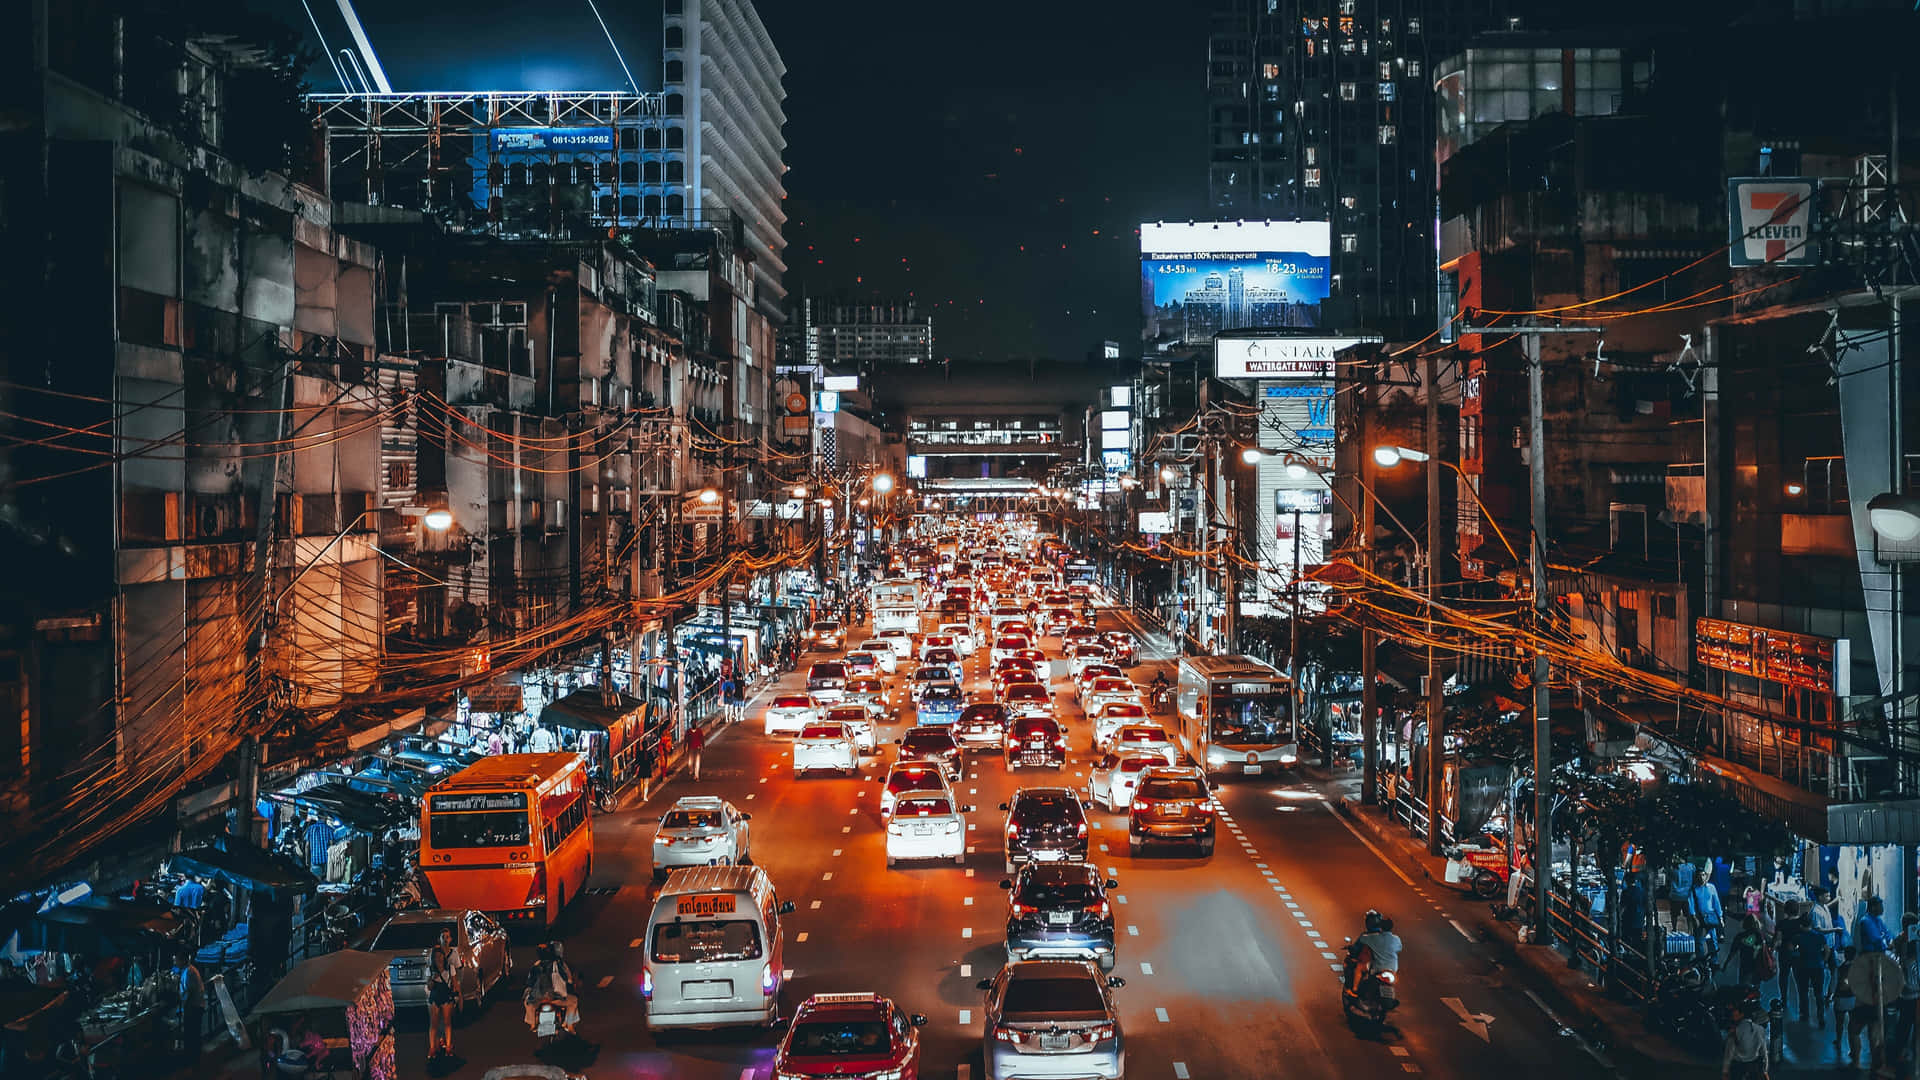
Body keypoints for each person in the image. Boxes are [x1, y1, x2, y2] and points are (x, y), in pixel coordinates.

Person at [1784, 915, 1831, 1026]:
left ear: (1801, 925)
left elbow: (1790, 948)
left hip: (1803, 967)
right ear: (1811, 924)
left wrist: (1796, 955)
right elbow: (1827, 950)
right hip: (1818, 967)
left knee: (1803, 992)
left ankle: (1804, 1014)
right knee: (1819, 993)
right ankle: (1821, 1016)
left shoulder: (1798, 937)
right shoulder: (1820, 936)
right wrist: (1823, 961)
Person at [168, 948, 206, 1064]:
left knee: (191, 1033)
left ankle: (192, 1058)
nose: (175, 963)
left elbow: (188, 993)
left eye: (176, 960)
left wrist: (180, 1007)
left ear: (182, 960)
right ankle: (193, 1057)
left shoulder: (189, 972)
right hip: (194, 1006)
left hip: (194, 1007)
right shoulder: (187, 971)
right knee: (191, 1033)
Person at [426, 927, 458, 1061]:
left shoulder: (449, 968)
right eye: (436, 957)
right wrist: (432, 978)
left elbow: (455, 983)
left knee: (447, 1022)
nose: (438, 959)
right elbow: (429, 986)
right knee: (433, 1024)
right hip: (434, 997)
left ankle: (449, 1046)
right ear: (433, 958)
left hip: (446, 997)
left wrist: (457, 997)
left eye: (440, 957)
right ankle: (433, 1048)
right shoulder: (430, 970)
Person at [1721, 1002, 1769, 1080]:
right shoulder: (1759, 1029)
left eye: (1735, 1016)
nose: (1733, 1018)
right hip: (1753, 1064)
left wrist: (1725, 1071)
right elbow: (1764, 1051)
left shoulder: (1735, 1031)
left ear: (1741, 1015)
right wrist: (1765, 1071)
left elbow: (1729, 1052)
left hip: (1738, 1065)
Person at [1723, 914, 1768, 988]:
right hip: (1757, 965)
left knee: (1743, 987)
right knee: (1756, 988)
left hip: (1745, 965)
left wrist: (1726, 963)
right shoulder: (1760, 935)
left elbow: (1732, 952)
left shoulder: (1740, 936)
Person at [1691, 873, 1726, 959]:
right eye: (1699, 875)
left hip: (1710, 916)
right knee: (1698, 939)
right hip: (1699, 916)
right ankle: (1701, 958)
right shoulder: (1693, 889)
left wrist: (1720, 917)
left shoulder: (1711, 887)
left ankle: (1714, 959)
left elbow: (1716, 902)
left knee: (1712, 938)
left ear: (1706, 876)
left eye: (1703, 875)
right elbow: (1691, 904)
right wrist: (1694, 917)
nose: (1701, 877)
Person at [1834, 946, 1860, 1054]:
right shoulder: (1859, 969)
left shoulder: (1840, 968)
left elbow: (1834, 983)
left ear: (1845, 955)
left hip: (1841, 998)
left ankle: (1839, 1041)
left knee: (1839, 1023)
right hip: (1853, 999)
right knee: (1852, 1025)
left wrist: (1831, 995)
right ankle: (1852, 1049)